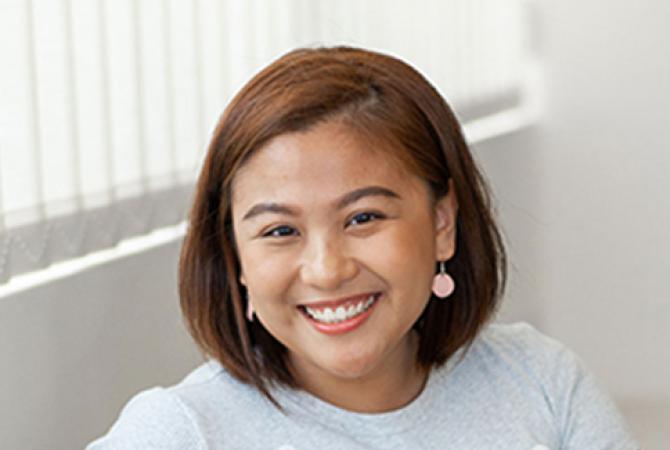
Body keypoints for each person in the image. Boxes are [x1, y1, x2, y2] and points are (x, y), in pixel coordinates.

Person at [88, 46, 638, 450]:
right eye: (279, 231)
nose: (327, 270)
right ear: (235, 258)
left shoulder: (541, 382)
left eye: (363, 218)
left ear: (442, 222)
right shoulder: (181, 430)